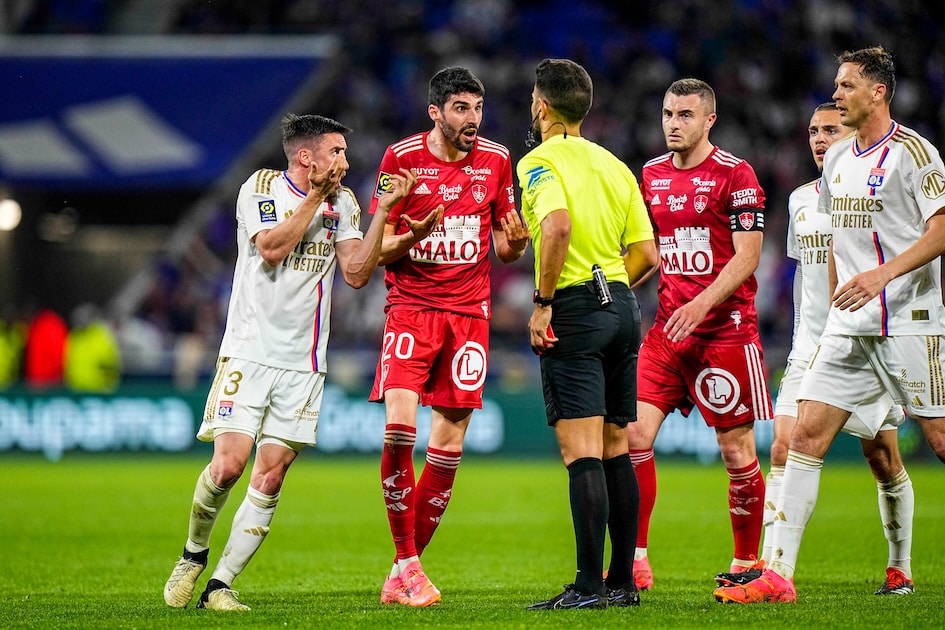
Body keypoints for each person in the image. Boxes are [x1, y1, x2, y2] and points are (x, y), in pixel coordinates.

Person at [713, 45, 945, 604]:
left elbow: (940, 231)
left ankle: (892, 565)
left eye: (845, 86)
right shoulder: (839, 161)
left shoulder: (916, 153)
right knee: (802, 439)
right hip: (850, 329)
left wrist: (880, 277)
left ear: (877, 92)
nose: (836, 94)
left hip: (911, 323)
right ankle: (778, 577)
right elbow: (841, 239)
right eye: (837, 86)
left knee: (938, 439)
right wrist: (848, 288)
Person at [163, 113, 416, 611]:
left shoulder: (343, 202)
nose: (345, 161)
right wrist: (316, 199)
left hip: (304, 362)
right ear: (308, 156)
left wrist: (390, 219)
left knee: (271, 475)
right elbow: (273, 249)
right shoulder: (259, 188)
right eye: (337, 151)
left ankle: (220, 585)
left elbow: (358, 272)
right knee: (229, 466)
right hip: (250, 350)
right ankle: (193, 554)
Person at [368, 66, 529, 607]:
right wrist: (408, 235)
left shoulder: (497, 160)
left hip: (469, 316)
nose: (472, 120)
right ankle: (409, 563)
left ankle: (403, 569)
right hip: (411, 310)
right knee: (398, 431)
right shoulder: (401, 159)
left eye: (477, 108)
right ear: (435, 112)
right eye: (461, 108)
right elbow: (377, 248)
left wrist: (517, 244)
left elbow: (506, 248)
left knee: (449, 443)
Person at [519, 58, 657, 610]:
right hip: (622, 303)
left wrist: (544, 303)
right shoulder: (616, 166)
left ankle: (588, 586)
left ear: (542, 106)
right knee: (615, 447)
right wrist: (612, 286)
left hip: (575, 306)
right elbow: (646, 253)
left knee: (581, 454)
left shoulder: (537, 162)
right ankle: (623, 582)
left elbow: (556, 226)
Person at [627, 78, 773, 591]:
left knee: (736, 451)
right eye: (668, 113)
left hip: (725, 332)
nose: (673, 123)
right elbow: (649, 252)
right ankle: (635, 559)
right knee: (633, 437)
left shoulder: (737, 175)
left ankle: (745, 564)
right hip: (668, 333)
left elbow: (748, 255)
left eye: (685, 115)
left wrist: (702, 302)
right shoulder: (650, 174)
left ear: (709, 119)